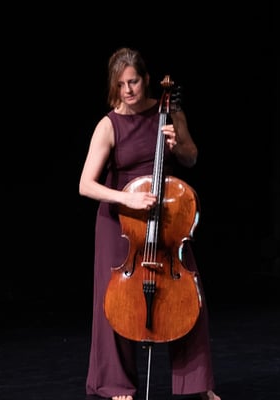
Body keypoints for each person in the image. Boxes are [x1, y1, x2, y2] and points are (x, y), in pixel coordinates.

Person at [78, 47, 221, 400]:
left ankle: (197, 384)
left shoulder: (169, 112)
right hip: (120, 221)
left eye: (134, 82)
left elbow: (190, 157)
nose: (128, 90)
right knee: (114, 301)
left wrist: (178, 143)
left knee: (188, 296)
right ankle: (115, 384)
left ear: (145, 79)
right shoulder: (109, 124)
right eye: (121, 84)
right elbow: (85, 185)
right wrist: (126, 199)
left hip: (167, 219)